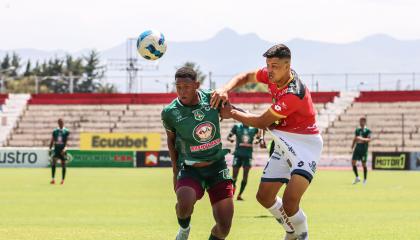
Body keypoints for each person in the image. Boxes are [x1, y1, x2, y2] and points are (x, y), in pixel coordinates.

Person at [212, 44, 323, 240]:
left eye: (275, 66)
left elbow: (262, 121)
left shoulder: (294, 93)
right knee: (264, 196)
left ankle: (302, 235)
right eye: (268, 65)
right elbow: (246, 77)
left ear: (287, 65)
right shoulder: (273, 75)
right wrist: (224, 89)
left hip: (306, 143)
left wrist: (232, 113)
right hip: (283, 139)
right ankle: (291, 231)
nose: (269, 71)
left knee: (290, 203)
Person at [161, 67, 234, 240]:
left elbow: (231, 111)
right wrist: (174, 170)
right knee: (184, 205)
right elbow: (171, 142)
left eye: (186, 86)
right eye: (178, 86)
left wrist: (227, 103)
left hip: (217, 167)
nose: (182, 91)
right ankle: (184, 229)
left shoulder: (212, 98)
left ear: (196, 85)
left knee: (224, 227)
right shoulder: (170, 112)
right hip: (190, 168)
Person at [227, 123, 264, 200]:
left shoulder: (254, 128)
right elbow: (228, 137)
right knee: (234, 177)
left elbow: (259, 137)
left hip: (248, 155)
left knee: (245, 176)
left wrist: (258, 141)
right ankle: (232, 193)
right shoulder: (236, 127)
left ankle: (240, 195)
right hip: (238, 154)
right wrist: (230, 139)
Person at [351, 117, 372, 184]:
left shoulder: (368, 131)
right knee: (353, 162)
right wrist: (352, 145)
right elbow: (355, 138)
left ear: (365, 122)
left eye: (362, 121)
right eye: (360, 121)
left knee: (364, 164)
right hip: (357, 148)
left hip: (364, 149)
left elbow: (368, 140)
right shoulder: (357, 130)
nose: (361, 122)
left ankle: (365, 179)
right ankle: (357, 177)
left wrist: (361, 139)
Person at [49, 118, 70, 185]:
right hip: (56, 149)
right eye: (59, 122)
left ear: (63, 123)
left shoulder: (66, 131)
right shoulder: (55, 131)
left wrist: (65, 148)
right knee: (53, 163)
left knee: (63, 164)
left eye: (62, 122)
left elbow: (67, 141)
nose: (61, 123)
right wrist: (50, 148)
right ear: (58, 123)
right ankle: (53, 179)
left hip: (62, 150)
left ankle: (63, 180)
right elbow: (52, 140)